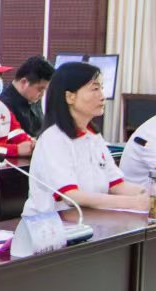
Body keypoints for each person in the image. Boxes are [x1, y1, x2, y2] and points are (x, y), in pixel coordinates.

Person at [27, 61, 147, 215]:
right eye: (95, 89)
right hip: (51, 223)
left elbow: (116, 185)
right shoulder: (53, 138)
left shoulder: (93, 136)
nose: (102, 96)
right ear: (70, 97)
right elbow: (71, 196)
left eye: (101, 88)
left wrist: (148, 193)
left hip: (89, 219)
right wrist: (131, 203)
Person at [1, 57, 53, 139]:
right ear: (24, 82)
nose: (42, 94)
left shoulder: (33, 99)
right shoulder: (3, 105)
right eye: (40, 89)